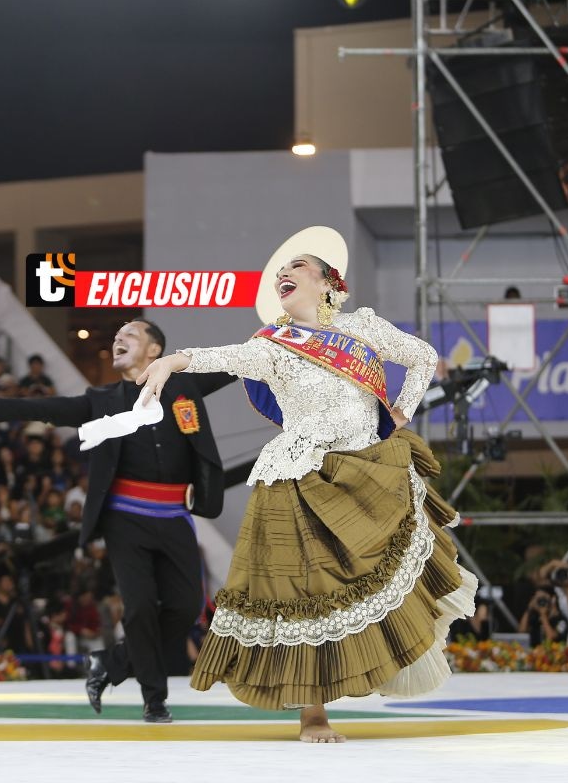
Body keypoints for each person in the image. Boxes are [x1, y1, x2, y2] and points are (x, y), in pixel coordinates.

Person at [133, 227, 475, 743]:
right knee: (303, 590)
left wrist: (403, 410)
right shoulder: (273, 345)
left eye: (297, 266)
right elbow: (221, 356)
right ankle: (313, 714)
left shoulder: (362, 327)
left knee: (368, 578)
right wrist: (171, 361)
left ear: (327, 283)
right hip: (300, 475)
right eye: (279, 274)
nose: (283, 273)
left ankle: (373, 664)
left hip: (366, 470)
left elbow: (423, 357)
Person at [0, 319, 235, 724]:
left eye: (131, 336)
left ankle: (113, 663)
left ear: (155, 351)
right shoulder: (102, 398)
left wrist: (282, 335)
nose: (118, 339)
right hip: (125, 518)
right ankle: (154, 700)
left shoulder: (184, 388)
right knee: (139, 608)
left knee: (185, 607)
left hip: (175, 515)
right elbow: (50, 408)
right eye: (117, 335)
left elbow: (235, 364)